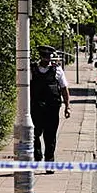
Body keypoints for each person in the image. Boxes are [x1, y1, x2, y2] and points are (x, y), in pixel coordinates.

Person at [31, 45, 71, 174]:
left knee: (50, 136)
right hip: (36, 108)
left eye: (48, 57)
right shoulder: (32, 70)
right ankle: (37, 157)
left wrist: (67, 106)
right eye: (44, 56)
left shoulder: (57, 70)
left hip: (52, 109)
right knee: (34, 134)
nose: (46, 59)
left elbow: (64, 89)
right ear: (40, 57)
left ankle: (49, 162)